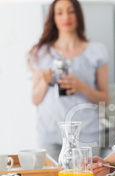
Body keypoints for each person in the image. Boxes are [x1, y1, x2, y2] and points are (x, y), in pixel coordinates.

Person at [28, 0, 109, 161]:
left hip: (86, 134)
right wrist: (44, 81)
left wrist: (82, 87)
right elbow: (35, 99)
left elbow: (105, 100)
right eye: (59, 12)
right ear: (53, 18)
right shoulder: (41, 52)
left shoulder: (96, 51)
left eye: (71, 11)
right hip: (50, 133)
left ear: (78, 15)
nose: (66, 16)